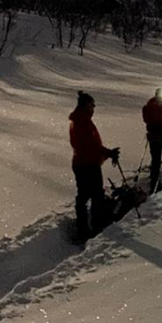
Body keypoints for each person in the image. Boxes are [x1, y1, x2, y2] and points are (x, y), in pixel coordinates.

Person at [69, 91, 120, 238]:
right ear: (85, 106)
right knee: (93, 194)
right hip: (87, 164)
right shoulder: (82, 121)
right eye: (92, 105)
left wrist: (106, 153)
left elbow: (91, 145)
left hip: (83, 162)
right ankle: (92, 226)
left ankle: (87, 226)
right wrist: (108, 152)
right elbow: (89, 145)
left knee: (88, 194)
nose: (94, 108)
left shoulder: (81, 119)